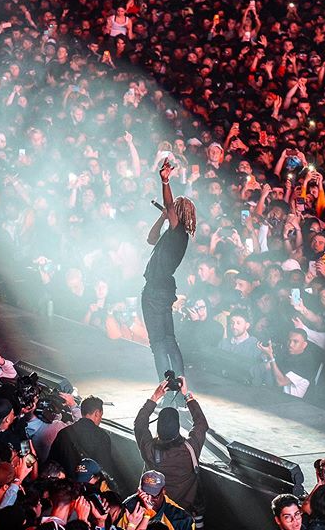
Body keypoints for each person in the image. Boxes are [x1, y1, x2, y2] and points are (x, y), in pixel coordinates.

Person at [142, 160, 197, 379]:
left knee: (159, 341)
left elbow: (170, 205)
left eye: (174, 207)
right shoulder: (172, 234)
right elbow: (150, 239)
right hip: (160, 289)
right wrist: (162, 216)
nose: (170, 208)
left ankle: (167, 381)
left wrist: (165, 181)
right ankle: (175, 381)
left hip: (157, 291)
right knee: (166, 339)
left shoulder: (179, 233)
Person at [134, 377, 208, 527]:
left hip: (155, 512)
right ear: (178, 427)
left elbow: (140, 424)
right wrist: (187, 395)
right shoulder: (190, 448)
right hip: (183, 514)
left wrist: (155, 397)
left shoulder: (150, 450)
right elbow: (201, 423)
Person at [48, 395, 115, 479]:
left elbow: (52, 463)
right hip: (88, 487)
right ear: (97, 413)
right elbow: (105, 468)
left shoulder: (64, 433)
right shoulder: (103, 436)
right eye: (101, 415)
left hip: (65, 486)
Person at [122, 470, 195, 530]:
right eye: (145, 494)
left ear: (163, 491)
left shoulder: (182, 519)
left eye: (154, 496)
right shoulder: (127, 509)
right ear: (139, 490)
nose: (149, 500)